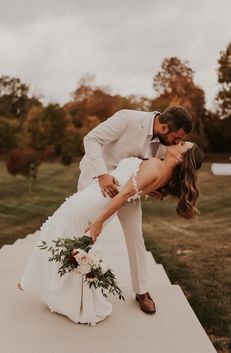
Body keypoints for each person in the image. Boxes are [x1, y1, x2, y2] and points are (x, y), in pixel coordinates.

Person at [18, 141, 203, 325]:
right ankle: (39, 284)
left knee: (60, 231)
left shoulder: (156, 166)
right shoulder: (166, 173)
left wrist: (98, 221)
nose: (178, 142)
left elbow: (122, 195)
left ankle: (43, 286)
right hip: (97, 197)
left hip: (97, 199)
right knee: (61, 233)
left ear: (180, 157)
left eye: (182, 145)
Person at [77, 106, 193, 314]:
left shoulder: (164, 141)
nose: (176, 144)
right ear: (164, 127)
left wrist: (152, 190)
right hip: (99, 184)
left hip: (130, 192)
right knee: (86, 234)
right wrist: (102, 174)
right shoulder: (127, 118)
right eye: (176, 139)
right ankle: (77, 284)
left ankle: (142, 291)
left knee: (135, 237)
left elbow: (147, 170)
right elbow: (91, 139)